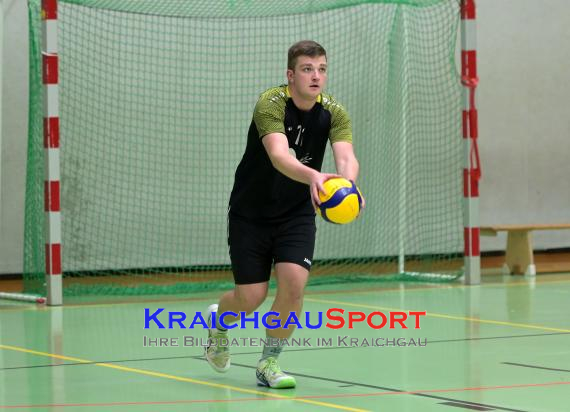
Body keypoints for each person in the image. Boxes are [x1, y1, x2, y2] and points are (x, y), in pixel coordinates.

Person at [205, 40, 362, 389]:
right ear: (290, 75)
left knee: (294, 285)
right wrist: (316, 177)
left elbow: (346, 156)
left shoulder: (334, 111)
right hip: (251, 213)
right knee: (252, 296)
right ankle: (219, 325)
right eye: (307, 69)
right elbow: (279, 156)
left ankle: (269, 362)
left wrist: (348, 185)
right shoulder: (270, 104)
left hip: (296, 215)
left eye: (321, 69)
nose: (316, 76)